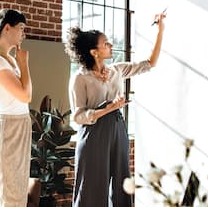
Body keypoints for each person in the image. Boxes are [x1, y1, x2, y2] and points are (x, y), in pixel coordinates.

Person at [65, 12, 166, 207]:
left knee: (122, 183)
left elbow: (149, 63)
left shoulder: (116, 70)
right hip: (93, 134)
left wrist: (160, 31)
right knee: (91, 187)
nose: (110, 45)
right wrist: (107, 108)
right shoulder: (80, 78)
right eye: (106, 43)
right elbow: (78, 116)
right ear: (94, 52)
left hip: (118, 128)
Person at [0, 8, 32, 207]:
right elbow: (26, 95)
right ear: (7, 28)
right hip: (8, 130)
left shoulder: (10, 59)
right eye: (21, 28)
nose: (23, 34)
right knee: (9, 197)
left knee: (18, 194)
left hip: (20, 126)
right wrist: (24, 64)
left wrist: (20, 63)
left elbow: (25, 93)